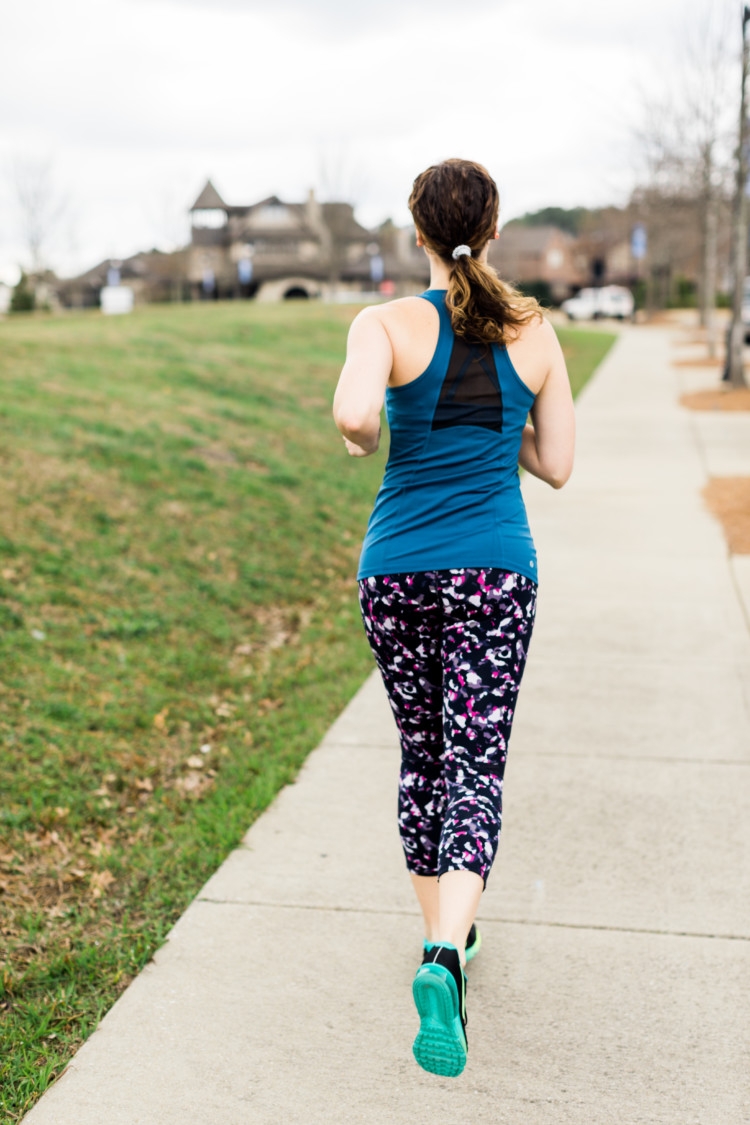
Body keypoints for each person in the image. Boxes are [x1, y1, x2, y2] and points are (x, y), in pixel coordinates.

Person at [332, 158, 575, 1078]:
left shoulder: (383, 321)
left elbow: (356, 415)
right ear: (497, 230)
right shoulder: (534, 330)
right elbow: (556, 465)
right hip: (495, 573)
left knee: (424, 755)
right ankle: (445, 950)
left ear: (417, 234)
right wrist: (495, 425)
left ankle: (444, 936)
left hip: (395, 569)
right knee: (475, 760)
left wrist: (368, 432)